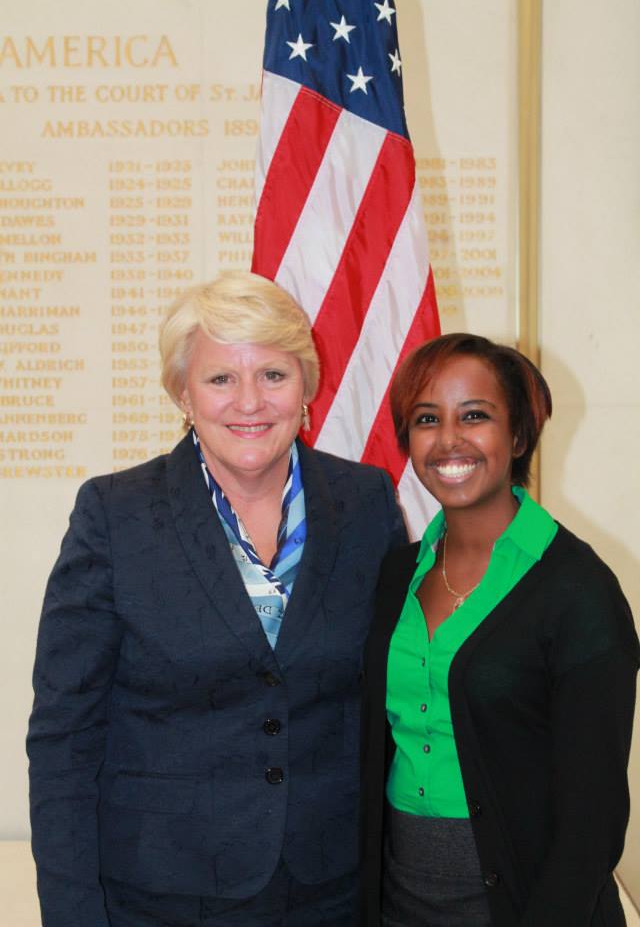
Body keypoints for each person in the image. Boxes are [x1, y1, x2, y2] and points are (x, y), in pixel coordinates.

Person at [27, 272, 407, 927]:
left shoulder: (367, 502)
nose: (250, 402)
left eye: (273, 375)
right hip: (160, 897)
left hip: (331, 891)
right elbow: (65, 735)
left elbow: (391, 696)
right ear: (183, 392)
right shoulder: (114, 516)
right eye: (220, 378)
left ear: (306, 387)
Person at [360, 333, 639, 927]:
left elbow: (595, 812)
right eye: (427, 418)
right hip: (400, 896)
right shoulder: (394, 574)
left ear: (517, 437)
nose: (450, 439)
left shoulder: (578, 591)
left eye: (476, 416)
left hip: (523, 901)